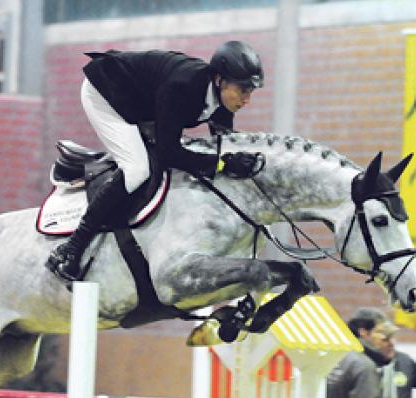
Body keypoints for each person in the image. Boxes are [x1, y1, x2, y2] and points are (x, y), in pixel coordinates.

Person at [45, 41, 267, 282]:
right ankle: (71, 248)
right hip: (107, 93)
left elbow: (222, 143)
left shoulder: (223, 101)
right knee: (137, 170)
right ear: (218, 80)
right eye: (242, 90)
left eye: (250, 92)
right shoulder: (183, 87)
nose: (247, 100)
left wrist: (239, 159)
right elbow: (169, 153)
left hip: (142, 101)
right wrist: (223, 164)